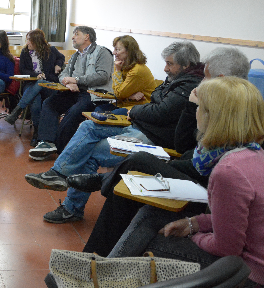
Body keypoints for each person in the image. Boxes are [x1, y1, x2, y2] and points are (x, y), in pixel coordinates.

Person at [73, 47, 252, 257]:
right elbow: (185, 146)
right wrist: (189, 107)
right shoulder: (218, 103)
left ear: (220, 78)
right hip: (194, 173)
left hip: (206, 188)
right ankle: (94, 258)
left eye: (206, 77)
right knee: (125, 188)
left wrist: (167, 167)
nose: (201, 82)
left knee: (138, 163)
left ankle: (94, 251)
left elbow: (211, 171)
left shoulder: (237, 112)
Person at [108, 76, 264, 287]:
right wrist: (194, 224)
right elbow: (234, 219)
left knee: (153, 241)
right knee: (150, 215)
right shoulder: (254, 154)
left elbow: (227, 249)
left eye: (198, 107)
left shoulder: (229, 171)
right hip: (247, 258)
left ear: (213, 116)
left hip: (248, 273)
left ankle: (103, 276)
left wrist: (194, 236)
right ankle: (103, 274)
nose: (195, 112)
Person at [25, 41, 204, 224]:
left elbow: (158, 110)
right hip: (139, 125)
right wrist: (144, 107)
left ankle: (72, 207)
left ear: (186, 65)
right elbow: (154, 100)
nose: (164, 68)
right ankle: (58, 173)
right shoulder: (178, 79)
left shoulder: (188, 85)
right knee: (88, 126)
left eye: (169, 64)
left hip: (152, 137)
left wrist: (134, 110)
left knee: (89, 152)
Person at [28, 26, 113, 159]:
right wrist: (68, 82)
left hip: (93, 94)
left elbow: (103, 76)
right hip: (73, 91)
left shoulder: (102, 52)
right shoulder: (75, 56)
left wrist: (77, 81)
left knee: (74, 111)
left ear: (87, 37)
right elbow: (63, 74)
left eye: (76, 34)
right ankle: (46, 142)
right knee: (50, 103)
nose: (72, 37)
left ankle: (57, 147)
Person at [3, 29, 65, 146]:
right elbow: (23, 70)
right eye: (27, 40)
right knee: (35, 101)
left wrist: (58, 65)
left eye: (30, 41)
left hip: (49, 86)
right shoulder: (25, 52)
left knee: (41, 83)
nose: (28, 43)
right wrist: (37, 75)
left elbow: (61, 57)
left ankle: (18, 110)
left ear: (38, 42)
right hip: (31, 85)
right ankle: (37, 132)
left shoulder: (51, 50)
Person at [99, 35, 157, 111]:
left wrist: (118, 72)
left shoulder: (137, 70)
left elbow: (118, 93)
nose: (113, 52)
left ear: (129, 51)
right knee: (99, 109)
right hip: (124, 104)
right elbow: (116, 90)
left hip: (139, 108)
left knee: (104, 114)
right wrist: (129, 96)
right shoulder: (120, 65)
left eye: (118, 49)